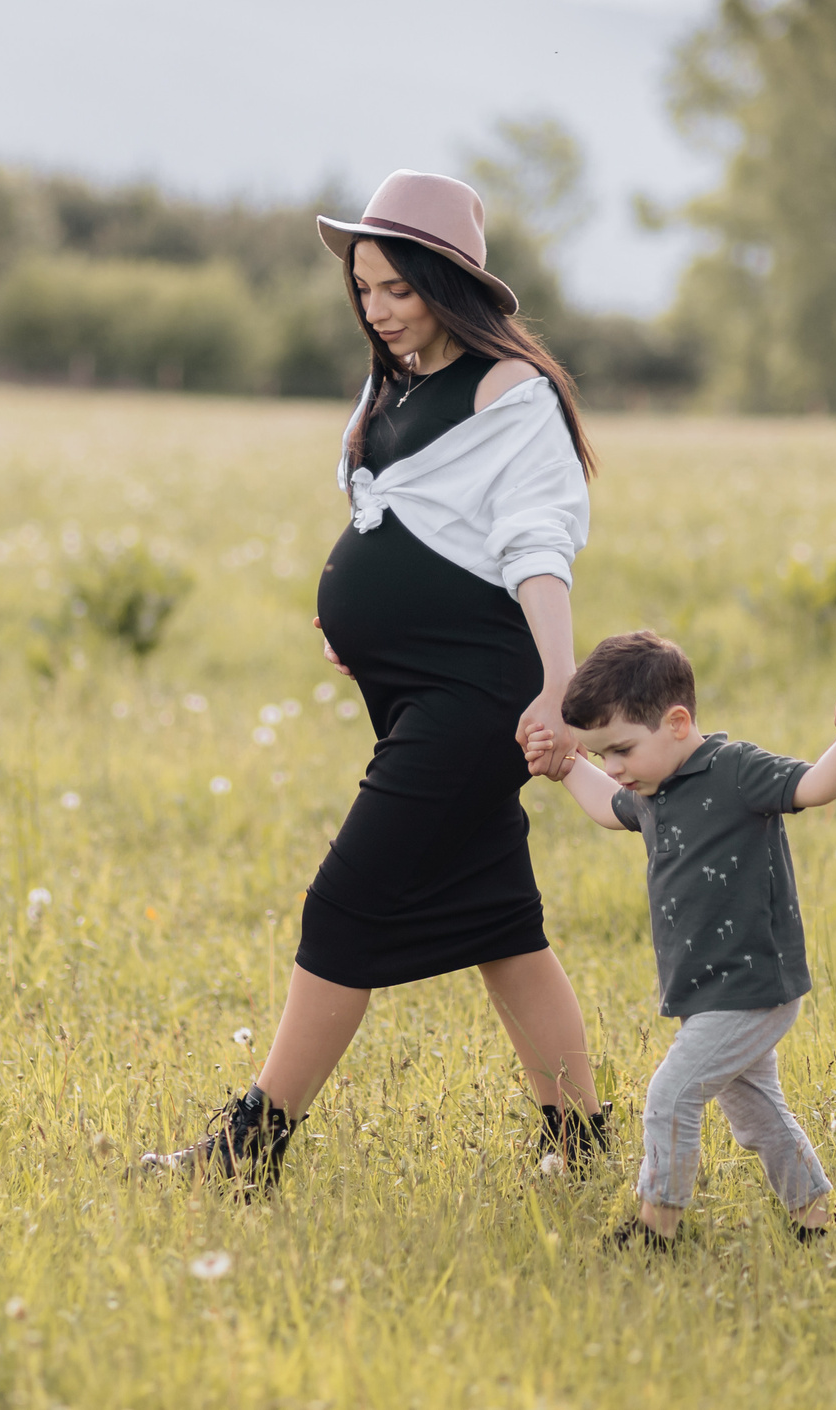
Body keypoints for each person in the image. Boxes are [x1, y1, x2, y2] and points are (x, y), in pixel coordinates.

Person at [142, 169, 609, 1187]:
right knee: (500, 921)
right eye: (365, 287)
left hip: (477, 692)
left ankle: (248, 1150)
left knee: (343, 906)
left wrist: (558, 686)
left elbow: (537, 544)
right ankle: (580, 1142)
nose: (380, 308)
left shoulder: (509, 392)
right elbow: (391, 511)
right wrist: (349, 611)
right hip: (408, 688)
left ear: (451, 284)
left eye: (399, 287)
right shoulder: (388, 386)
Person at [536, 630, 836, 1249]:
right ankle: (815, 1221)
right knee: (757, 1115)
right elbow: (609, 805)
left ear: (677, 722)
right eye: (602, 754)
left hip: (751, 986)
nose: (614, 767)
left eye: (622, 750)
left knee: (671, 1096)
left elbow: (815, 786)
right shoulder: (650, 789)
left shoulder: (735, 770)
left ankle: (656, 1228)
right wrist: (568, 767)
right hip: (707, 992)